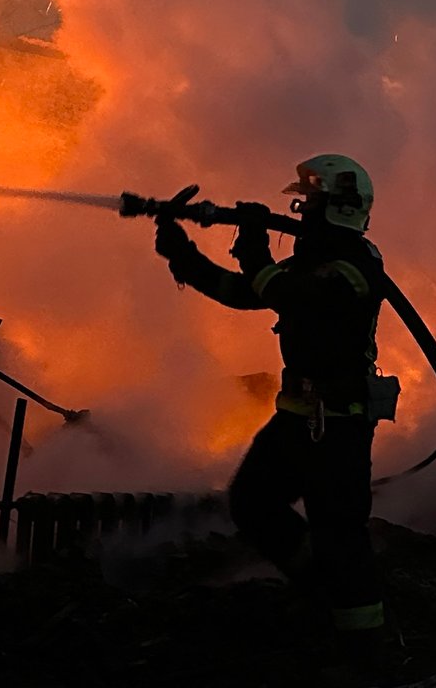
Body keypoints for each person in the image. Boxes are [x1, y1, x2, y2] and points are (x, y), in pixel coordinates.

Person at [152, 154, 390, 646]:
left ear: (337, 208)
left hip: (338, 427)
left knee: (340, 534)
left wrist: (255, 242)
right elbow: (244, 292)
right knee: (253, 504)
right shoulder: (314, 262)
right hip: (297, 421)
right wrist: (183, 256)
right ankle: (320, 591)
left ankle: (366, 647)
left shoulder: (356, 268)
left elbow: (281, 291)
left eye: (309, 206)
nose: (300, 214)